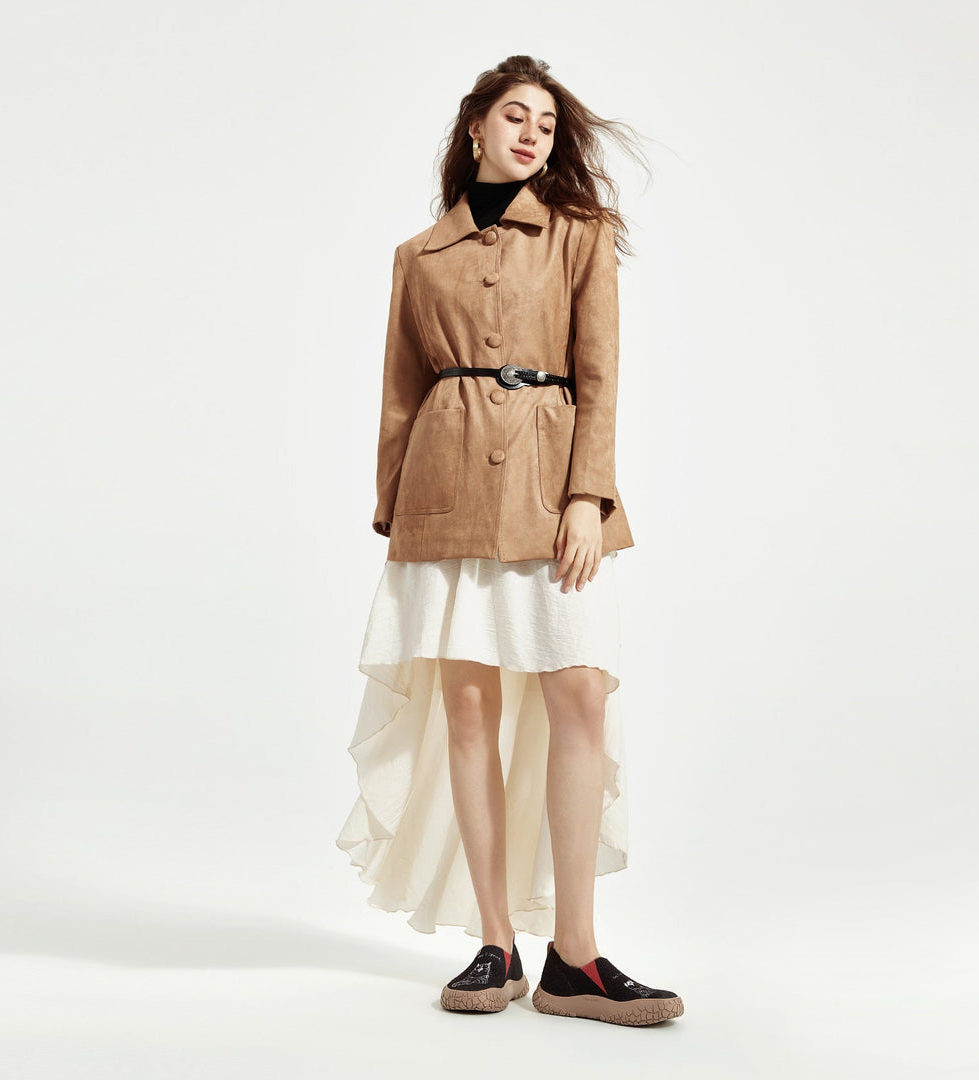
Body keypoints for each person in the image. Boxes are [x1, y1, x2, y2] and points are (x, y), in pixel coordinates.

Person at [337, 55, 683, 1027]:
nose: (532, 134)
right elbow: (401, 394)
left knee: (579, 694)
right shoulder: (418, 257)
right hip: (442, 493)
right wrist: (394, 513)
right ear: (476, 127)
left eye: (546, 124)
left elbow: (600, 377)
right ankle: (496, 944)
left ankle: (577, 956)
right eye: (516, 117)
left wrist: (588, 497)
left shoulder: (580, 234)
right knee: (468, 711)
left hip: (549, 484)